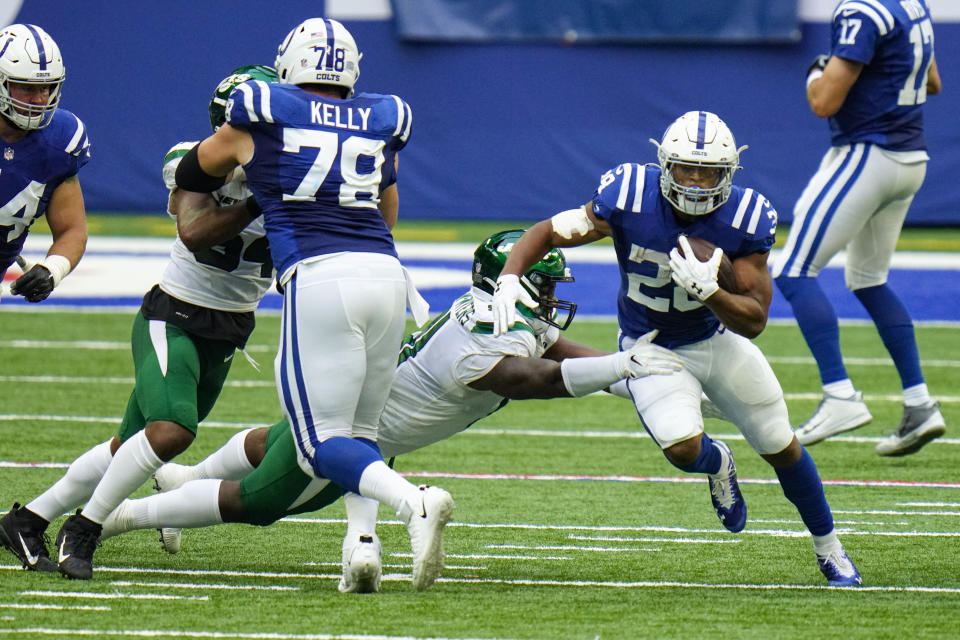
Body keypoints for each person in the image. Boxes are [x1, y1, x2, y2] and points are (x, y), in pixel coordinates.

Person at [97, 230, 682, 593]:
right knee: (257, 504)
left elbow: (566, 356)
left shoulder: (504, 318)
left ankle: (186, 479)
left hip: (365, 421)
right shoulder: (487, 339)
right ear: (514, 283)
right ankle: (125, 517)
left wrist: (652, 380)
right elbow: (538, 379)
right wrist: (620, 366)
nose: (555, 302)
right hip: (358, 437)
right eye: (547, 289)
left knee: (279, 440)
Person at [490, 111, 863, 586]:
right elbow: (550, 230)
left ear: (729, 174)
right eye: (687, 168)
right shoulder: (627, 195)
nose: (697, 181)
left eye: (709, 171)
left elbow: (755, 320)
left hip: (715, 341)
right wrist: (508, 275)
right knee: (685, 449)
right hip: (649, 347)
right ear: (665, 165)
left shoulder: (746, 217)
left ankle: (829, 548)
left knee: (779, 443)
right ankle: (719, 463)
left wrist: (713, 293)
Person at [174, 18, 458, 591]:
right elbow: (387, 204)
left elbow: (191, 173)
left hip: (321, 275)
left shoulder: (262, 107)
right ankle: (362, 547)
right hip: (387, 274)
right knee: (363, 428)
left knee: (318, 443)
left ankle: (413, 502)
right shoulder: (384, 116)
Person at [0, 65, 278, 579]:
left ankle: (27, 519)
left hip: (232, 328)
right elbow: (195, 231)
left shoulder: (298, 173)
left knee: (127, 448)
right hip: (174, 315)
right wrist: (264, 195)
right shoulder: (192, 160)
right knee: (171, 431)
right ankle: (85, 528)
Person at [771, 0, 944, 456]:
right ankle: (920, 404)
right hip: (911, 157)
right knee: (869, 280)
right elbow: (932, 81)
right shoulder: (912, 5)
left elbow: (823, 101)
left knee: (793, 271)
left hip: (870, 154)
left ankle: (840, 395)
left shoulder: (863, 12)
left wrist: (816, 71)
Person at [0, 24, 89, 304]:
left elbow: (71, 230)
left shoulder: (61, 140)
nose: (38, 99)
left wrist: (53, 269)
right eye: (26, 88)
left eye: (46, 88)